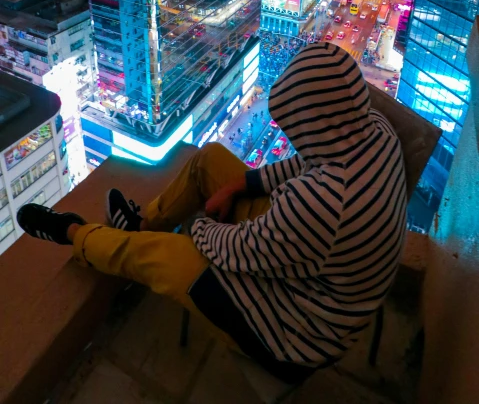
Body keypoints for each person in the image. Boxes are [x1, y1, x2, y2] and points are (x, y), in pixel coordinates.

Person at [17, 43, 407, 382]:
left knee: (165, 255)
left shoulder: (324, 202)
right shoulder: (373, 129)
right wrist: (239, 186)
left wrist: (198, 225)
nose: (293, 140)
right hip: (321, 271)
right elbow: (306, 165)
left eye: (296, 130)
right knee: (210, 161)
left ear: (314, 125)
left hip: (295, 331)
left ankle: (74, 233)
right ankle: (142, 224)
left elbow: (231, 250)